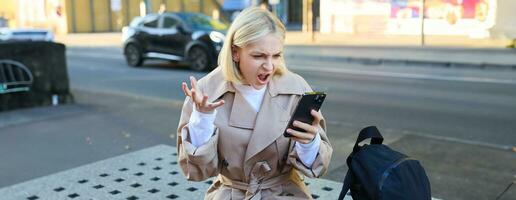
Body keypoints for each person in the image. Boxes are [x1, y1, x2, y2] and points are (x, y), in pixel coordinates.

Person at [177, 7, 332, 199]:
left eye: (276, 55)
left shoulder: (296, 88)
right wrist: (202, 118)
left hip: (285, 193)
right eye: (258, 56)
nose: (269, 66)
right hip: (232, 193)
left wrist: (309, 142)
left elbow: (316, 168)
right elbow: (196, 171)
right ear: (235, 52)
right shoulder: (206, 92)